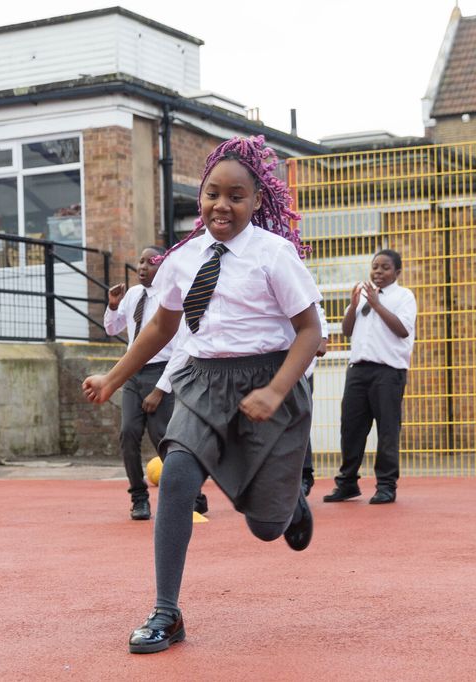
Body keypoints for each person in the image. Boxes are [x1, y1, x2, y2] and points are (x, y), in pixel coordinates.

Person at [82, 136, 322, 654]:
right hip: (203, 380)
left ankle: (290, 507)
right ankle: (166, 610)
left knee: (264, 526)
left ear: (257, 201)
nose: (222, 205)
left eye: (236, 196)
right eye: (213, 193)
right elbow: (159, 329)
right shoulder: (183, 258)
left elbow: (309, 331)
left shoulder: (273, 255)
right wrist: (113, 377)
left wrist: (278, 390)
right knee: (177, 474)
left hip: (269, 381)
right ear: (202, 198)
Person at [103, 245, 201, 520]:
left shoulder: (172, 299)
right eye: (140, 261)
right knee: (128, 434)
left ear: (164, 267)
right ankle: (139, 498)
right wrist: (112, 305)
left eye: (151, 262)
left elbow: (182, 347)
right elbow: (112, 329)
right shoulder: (133, 295)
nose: (142, 267)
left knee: (165, 441)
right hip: (134, 373)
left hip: (162, 374)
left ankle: (192, 495)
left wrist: (160, 389)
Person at [323, 249, 417, 505]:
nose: (378, 271)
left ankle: (386, 485)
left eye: (385, 267)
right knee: (350, 429)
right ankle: (348, 483)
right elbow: (346, 330)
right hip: (358, 371)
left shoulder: (404, 296)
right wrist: (354, 306)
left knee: (387, 430)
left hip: (388, 373)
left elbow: (402, 330)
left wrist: (377, 305)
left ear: (397, 272)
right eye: (375, 266)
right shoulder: (362, 295)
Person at [301, 303, 329, 497]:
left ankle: (304, 476)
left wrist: (323, 338)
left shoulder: (297, 277)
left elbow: (316, 310)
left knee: (299, 423)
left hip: (300, 370)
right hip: (267, 368)